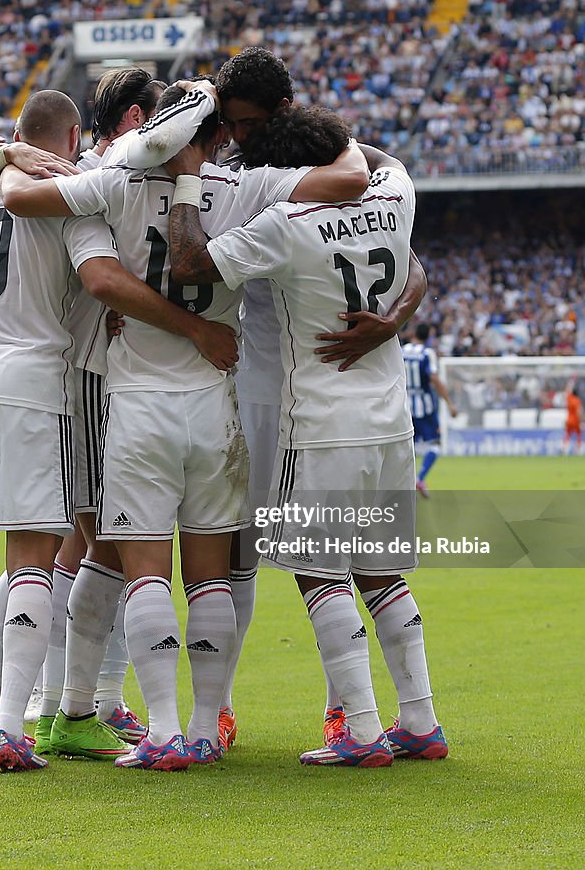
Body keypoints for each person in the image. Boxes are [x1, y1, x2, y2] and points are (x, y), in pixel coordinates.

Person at [0, 80, 370, 770]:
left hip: (138, 406)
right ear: (214, 134)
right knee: (210, 579)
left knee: (144, 574)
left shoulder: (113, 183)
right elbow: (351, 177)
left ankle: (162, 731)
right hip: (215, 405)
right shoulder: (247, 187)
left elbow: (21, 199)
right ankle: (202, 728)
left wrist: (3, 153)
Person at [0, 89, 236, 772]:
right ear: (74, 138)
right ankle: (15, 717)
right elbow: (101, 278)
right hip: (42, 382)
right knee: (46, 552)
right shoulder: (75, 193)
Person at [167, 102, 447, 765]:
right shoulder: (395, 190)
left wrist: (184, 178)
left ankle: (360, 731)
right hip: (388, 423)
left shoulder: (286, 222)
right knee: (381, 575)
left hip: (318, 422)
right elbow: (378, 164)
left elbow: (186, 265)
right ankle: (420, 721)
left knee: (317, 573)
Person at [402, 322, 458, 498]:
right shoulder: (427, 353)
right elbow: (434, 378)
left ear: (414, 334)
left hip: (404, 405)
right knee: (434, 444)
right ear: (428, 337)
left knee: (405, 446)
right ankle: (419, 478)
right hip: (424, 407)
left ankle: (401, 485)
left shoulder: (402, 350)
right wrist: (449, 403)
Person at [563, 384, 584, 455]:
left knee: (568, 435)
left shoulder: (569, 399)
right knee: (579, 435)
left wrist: (570, 383)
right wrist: (581, 421)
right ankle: (578, 450)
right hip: (576, 421)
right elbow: (579, 412)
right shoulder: (577, 400)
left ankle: (564, 448)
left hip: (568, 420)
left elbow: (567, 391)